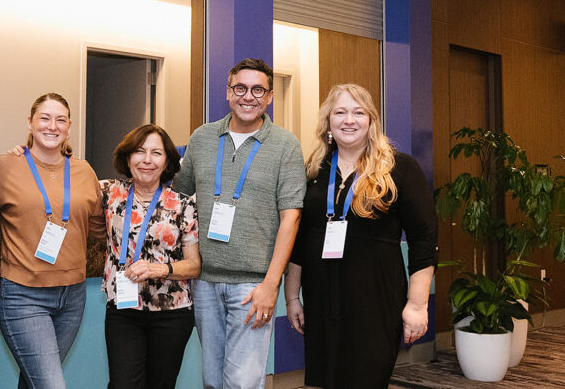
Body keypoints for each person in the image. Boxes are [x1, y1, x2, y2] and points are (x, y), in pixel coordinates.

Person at [284, 83, 438, 389]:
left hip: (376, 300)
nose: (348, 120)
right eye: (339, 112)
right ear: (328, 121)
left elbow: (425, 237)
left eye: (358, 112)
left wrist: (417, 306)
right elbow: (300, 241)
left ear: (371, 121)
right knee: (326, 380)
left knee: (366, 379)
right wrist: (292, 297)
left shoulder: (398, 168)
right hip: (322, 298)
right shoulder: (314, 171)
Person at [173, 58, 306, 389]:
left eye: (258, 89)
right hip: (204, 282)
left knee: (242, 383)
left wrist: (271, 284)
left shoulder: (285, 145)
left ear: (270, 96)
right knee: (212, 381)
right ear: (228, 92)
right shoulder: (202, 138)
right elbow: (177, 196)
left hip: (253, 285)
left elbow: (291, 218)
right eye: (241, 88)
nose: (249, 96)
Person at [0, 93, 104, 389]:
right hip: (22, 295)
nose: (52, 126)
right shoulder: (4, 166)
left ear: (68, 128)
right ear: (30, 123)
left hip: (73, 296)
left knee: (34, 381)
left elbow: (98, 228)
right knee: (51, 384)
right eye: (44, 118)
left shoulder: (84, 171)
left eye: (60, 120)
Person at [100, 124, 201, 389]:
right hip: (123, 311)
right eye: (139, 151)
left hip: (172, 313)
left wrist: (159, 270)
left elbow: (194, 265)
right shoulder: (108, 193)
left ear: (167, 160)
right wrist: (24, 153)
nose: (147, 160)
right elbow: (64, 179)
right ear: (127, 157)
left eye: (156, 153)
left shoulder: (183, 204)